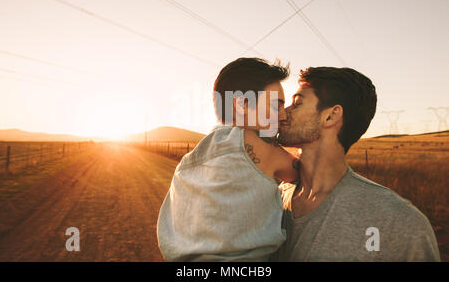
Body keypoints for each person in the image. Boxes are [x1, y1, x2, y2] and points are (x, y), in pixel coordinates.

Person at [274, 66, 440, 261]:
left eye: (297, 103)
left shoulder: (398, 222)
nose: (282, 114)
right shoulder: (272, 199)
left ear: (331, 116)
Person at [157, 58, 300, 261]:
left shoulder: (189, 161)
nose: (283, 116)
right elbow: (308, 173)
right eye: (276, 106)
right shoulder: (256, 142)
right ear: (241, 105)